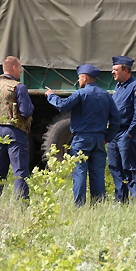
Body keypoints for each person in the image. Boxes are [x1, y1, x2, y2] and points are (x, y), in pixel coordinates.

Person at [45, 64, 120, 207]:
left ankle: (79, 205)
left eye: (79, 78)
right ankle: (98, 204)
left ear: (85, 78)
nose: (78, 81)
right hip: (99, 139)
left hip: (81, 139)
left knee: (79, 171)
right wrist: (107, 137)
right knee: (98, 172)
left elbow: (62, 105)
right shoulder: (106, 95)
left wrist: (50, 96)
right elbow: (116, 120)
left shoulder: (81, 94)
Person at [0, 56, 34, 200]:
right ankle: (21, 204)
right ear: (14, 68)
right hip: (16, 133)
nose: (21, 71)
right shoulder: (19, 87)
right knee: (20, 171)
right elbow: (26, 111)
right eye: (20, 68)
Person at [107, 56, 136, 203]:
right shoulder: (118, 87)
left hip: (126, 133)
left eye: (115, 69)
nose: (112, 72)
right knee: (114, 167)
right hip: (114, 133)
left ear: (126, 70)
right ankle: (120, 200)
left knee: (129, 167)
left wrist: (130, 133)